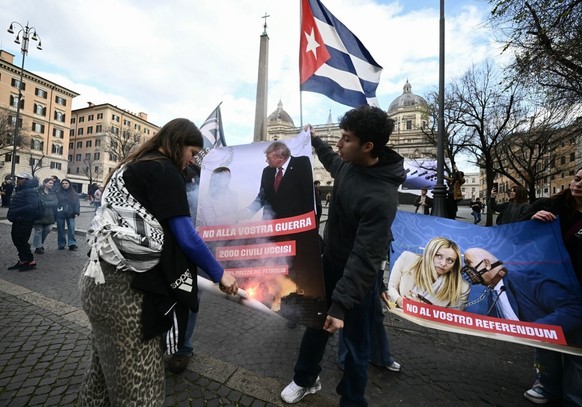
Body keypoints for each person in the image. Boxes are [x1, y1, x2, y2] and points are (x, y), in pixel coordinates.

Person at [78, 118, 238, 406]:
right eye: (191, 153)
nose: (190, 162)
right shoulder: (164, 170)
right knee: (141, 386)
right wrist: (219, 273)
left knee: (102, 374)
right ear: (178, 145)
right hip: (126, 294)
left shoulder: (132, 165)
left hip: (97, 282)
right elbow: (186, 236)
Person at [280, 105, 405, 405]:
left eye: (345, 138)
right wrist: (314, 140)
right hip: (330, 263)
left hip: (359, 279)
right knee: (314, 326)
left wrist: (340, 305)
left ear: (368, 146)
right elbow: (333, 161)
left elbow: (365, 258)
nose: (338, 143)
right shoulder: (351, 165)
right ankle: (305, 379)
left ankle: (351, 400)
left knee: (355, 344)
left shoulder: (382, 198)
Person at [462, 247, 582, 406]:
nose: (466, 269)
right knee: (544, 347)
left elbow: (575, 309)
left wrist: (537, 328)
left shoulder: (526, 280)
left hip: (575, 337)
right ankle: (548, 387)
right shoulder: (492, 292)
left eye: (469, 263)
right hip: (545, 340)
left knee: (574, 389)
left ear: (486, 264)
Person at [518, 167, 582, 405]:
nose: (578, 184)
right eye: (577, 178)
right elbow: (517, 233)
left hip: (578, 291)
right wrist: (532, 220)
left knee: (577, 348)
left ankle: (574, 397)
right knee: (545, 337)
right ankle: (546, 385)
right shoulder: (552, 205)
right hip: (549, 285)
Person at [337, 260, 401, 373]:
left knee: (375, 316)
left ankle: (379, 356)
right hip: (355, 271)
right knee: (351, 316)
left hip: (372, 274)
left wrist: (380, 285)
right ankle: (347, 359)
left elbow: (380, 258)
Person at [388, 237, 470, 309]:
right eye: (439, 256)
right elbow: (391, 287)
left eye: (450, 260)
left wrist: (425, 307)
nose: (443, 263)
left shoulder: (462, 288)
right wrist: (399, 301)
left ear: (454, 264)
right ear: (429, 254)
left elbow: (453, 317)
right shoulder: (407, 259)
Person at [246, 140, 314, 220]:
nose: (266, 161)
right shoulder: (267, 171)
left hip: (294, 223)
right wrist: (248, 211)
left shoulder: (301, 164)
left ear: (281, 157)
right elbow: (262, 196)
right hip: (271, 223)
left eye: (269, 158)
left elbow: (308, 196)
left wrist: (308, 222)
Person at [7, 173, 39, 271]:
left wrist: (17, 210)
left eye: (21, 178)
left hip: (25, 220)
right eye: (18, 178)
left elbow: (33, 205)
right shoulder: (22, 190)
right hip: (18, 219)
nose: (18, 180)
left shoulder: (30, 191)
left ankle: (30, 261)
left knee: (21, 240)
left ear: (27, 180)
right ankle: (23, 260)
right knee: (17, 239)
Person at [32, 178, 58, 254]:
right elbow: (37, 201)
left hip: (49, 215)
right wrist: (48, 203)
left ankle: (39, 243)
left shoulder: (53, 192)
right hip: (38, 214)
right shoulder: (37, 191)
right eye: (50, 183)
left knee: (48, 229)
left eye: (52, 183)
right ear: (44, 183)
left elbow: (55, 202)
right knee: (38, 231)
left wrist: (45, 204)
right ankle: (38, 247)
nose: (51, 185)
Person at [56, 179, 80, 250]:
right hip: (60, 214)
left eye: (66, 183)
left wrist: (76, 212)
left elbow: (77, 203)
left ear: (69, 184)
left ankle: (72, 244)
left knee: (71, 229)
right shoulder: (58, 192)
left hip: (71, 213)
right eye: (63, 183)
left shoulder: (74, 193)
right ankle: (61, 244)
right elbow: (55, 203)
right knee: (60, 229)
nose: (64, 185)